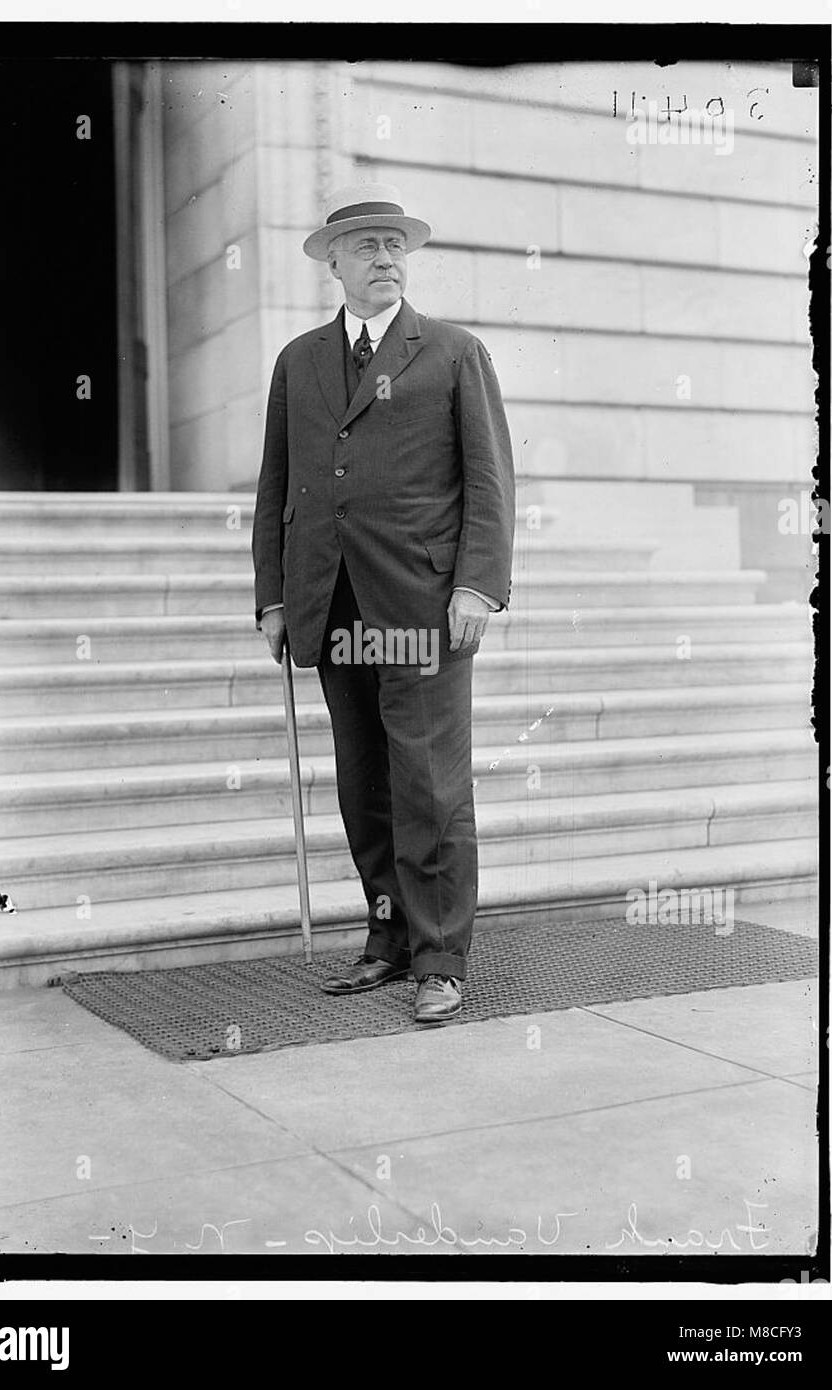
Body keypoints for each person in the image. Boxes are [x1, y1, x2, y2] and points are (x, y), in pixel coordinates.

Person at [252, 182, 515, 1024]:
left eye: (396, 245)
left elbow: (489, 481)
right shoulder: (298, 362)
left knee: (431, 783)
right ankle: (388, 937)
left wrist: (477, 584)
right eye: (366, 247)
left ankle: (442, 957)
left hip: (423, 609)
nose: (385, 259)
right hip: (331, 606)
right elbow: (276, 487)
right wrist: (272, 599)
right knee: (364, 779)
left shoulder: (451, 353)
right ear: (333, 263)